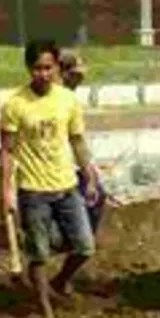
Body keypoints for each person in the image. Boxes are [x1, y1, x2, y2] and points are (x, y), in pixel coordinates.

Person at [0, 39, 99, 318]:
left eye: (47, 68)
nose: (42, 74)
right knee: (39, 253)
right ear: (28, 69)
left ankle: (59, 282)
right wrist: (6, 192)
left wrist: (89, 176)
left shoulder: (67, 100)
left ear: (57, 67)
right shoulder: (15, 104)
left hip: (66, 185)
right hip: (33, 190)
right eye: (36, 68)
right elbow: (7, 150)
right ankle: (45, 311)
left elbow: (77, 140)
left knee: (85, 246)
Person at [55, 50, 107, 239]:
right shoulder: (60, 100)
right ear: (63, 73)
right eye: (77, 75)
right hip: (55, 168)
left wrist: (88, 167)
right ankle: (76, 238)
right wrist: (88, 171)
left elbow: (77, 140)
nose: (81, 80)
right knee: (93, 194)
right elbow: (74, 141)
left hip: (67, 162)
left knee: (95, 192)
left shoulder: (68, 99)